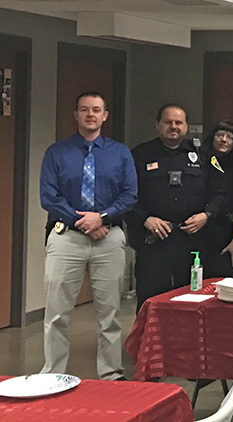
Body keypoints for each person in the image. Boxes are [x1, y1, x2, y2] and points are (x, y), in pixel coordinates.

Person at [39, 91, 136, 381]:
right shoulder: (56, 153)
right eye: (84, 110)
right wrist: (82, 221)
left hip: (109, 238)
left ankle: (111, 373)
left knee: (109, 314)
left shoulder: (120, 153)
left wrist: (102, 218)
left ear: (105, 116)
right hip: (66, 236)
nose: (90, 115)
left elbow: (130, 195)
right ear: (76, 115)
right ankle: (52, 373)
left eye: (96, 110)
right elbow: (48, 196)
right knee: (57, 313)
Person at [128, 104, 226, 311]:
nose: (173, 126)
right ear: (157, 125)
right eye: (168, 122)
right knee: (150, 299)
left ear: (186, 126)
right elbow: (127, 196)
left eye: (178, 122)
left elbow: (221, 194)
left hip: (192, 239)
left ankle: (187, 343)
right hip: (154, 240)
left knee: (192, 298)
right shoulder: (139, 154)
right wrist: (145, 218)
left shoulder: (203, 155)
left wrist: (206, 216)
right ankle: (147, 343)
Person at [201, 120, 233, 278]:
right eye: (219, 135)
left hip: (227, 230)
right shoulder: (198, 161)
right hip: (200, 228)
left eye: (230, 137)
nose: (224, 139)